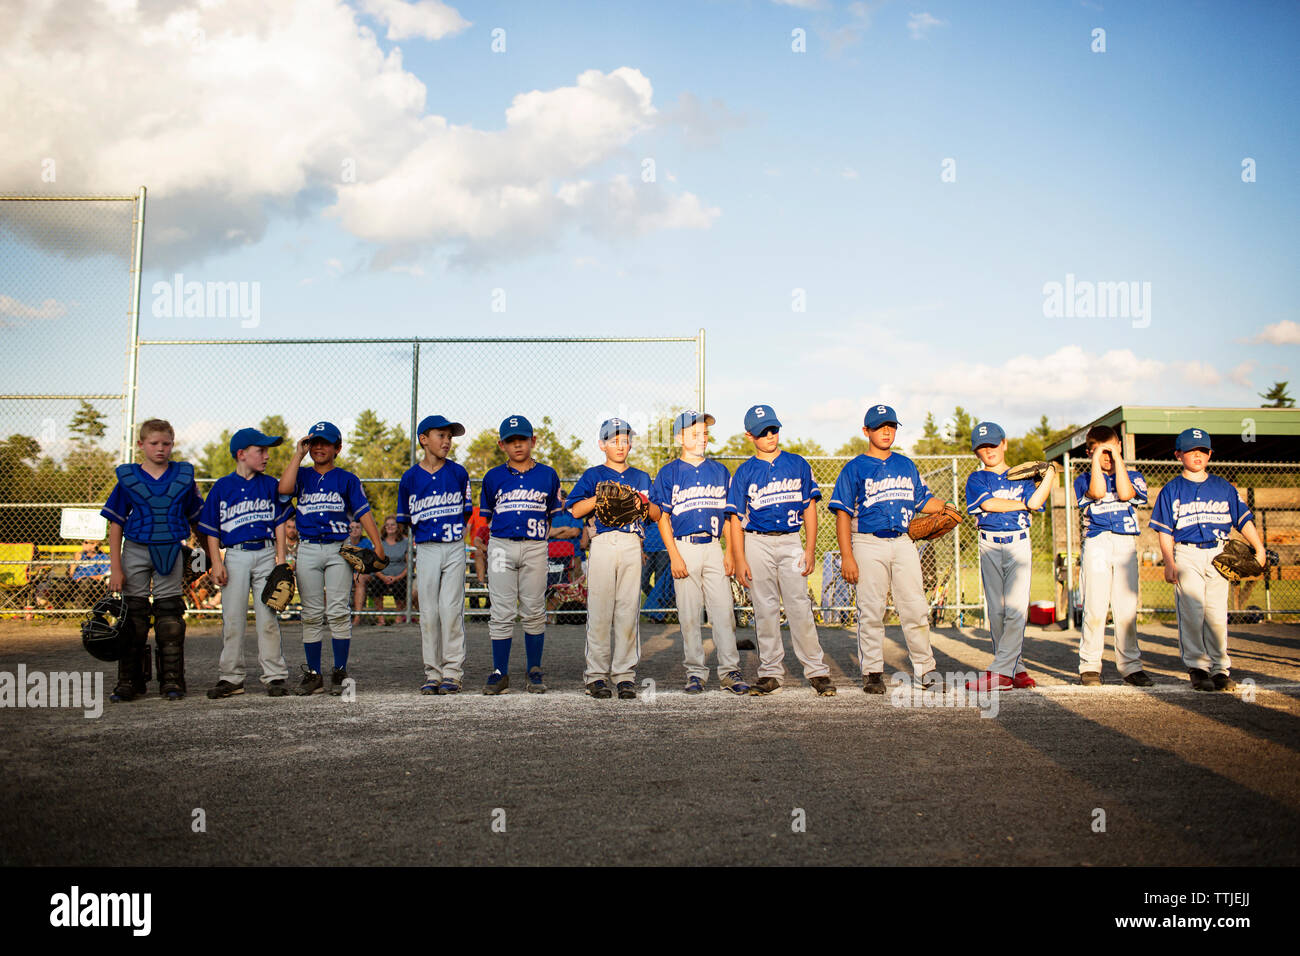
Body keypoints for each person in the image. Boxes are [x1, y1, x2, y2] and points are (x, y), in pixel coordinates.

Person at [829, 404, 953, 694]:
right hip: (867, 542)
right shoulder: (855, 468)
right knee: (871, 610)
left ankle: (926, 669)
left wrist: (947, 507)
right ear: (866, 431)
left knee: (915, 607)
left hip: (903, 541)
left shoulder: (905, 465)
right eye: (879, 426)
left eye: (891, 426)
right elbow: (843, 514)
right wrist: (847, 556)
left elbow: (923, 501)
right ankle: (872, 671)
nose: (886, 431)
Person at [725, 405, 836, 697]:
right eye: (763, 432)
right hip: (756, 542)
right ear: (750, 436)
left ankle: (816, 670)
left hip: (790, 540)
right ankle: (771, 672)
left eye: (773, 429)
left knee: (799, 606)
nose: (770, 436)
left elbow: (809, 507)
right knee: (765, 609)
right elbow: (736, 519)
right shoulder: (745, 472)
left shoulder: (798, 464)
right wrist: (738, 558)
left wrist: (810, 548)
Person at [1150, 428, 1266, 692]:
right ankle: (1197, 667)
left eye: (1202, 450)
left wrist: (1258, 547)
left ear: (1210, 454)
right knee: (1191, 612)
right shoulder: (1172, 490)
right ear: (1179, 455)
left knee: (1215, 612)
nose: (1197, 455)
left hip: (1219, 553)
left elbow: (1243, 519)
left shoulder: (1223, 487)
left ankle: (1220, 669)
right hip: (1186, 553)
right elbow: (1165, 531)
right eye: (1191, 450)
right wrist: (1169, 561)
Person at [278, 421, 386, 696]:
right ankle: (314, 674)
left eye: (325, 443)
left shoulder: (347, 479)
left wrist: (377, 544)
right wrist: (297, 454)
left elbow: (363, 513)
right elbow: (284, 488)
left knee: (338, 611)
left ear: (337, 448)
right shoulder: (301, 475)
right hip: (309, 548)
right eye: (314, 443)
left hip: (339, 548)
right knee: (312, 613)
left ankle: (339, 671)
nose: (319, 448)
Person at [100, 419, 205, 701]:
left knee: (170, 617)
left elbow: (198, 520)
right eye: (154, 443)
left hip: (170, 547)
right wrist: (115, 568)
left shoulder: (183, 477)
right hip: (135, 548)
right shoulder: (128, 478)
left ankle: (172, 680)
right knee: (132, 618)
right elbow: (115, 525)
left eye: (166, 443)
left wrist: (208, 557)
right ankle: (129, 681)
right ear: (141, 445)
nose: (161, 449)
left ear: (172, 444)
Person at [649, 410, 751, 695]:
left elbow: (731, 518)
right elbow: (663, 518)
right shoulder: (669, 472)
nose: (702, 438)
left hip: (713, 547)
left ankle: (730, 671)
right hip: (683, 546)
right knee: (689, 613)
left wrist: (730, 552)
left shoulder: (719, 471)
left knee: (723, 611)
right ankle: (695, 672)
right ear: (680, 437)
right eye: (695, 433)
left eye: (705, 433)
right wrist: (674, 555)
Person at [566, 418, 660, 700]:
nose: (620, 445)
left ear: (631, 443)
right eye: (613, 440)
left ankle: (624, 675)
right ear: (601, 444)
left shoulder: (641, 477)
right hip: (603, 543)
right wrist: (599, 497)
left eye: (625, 439)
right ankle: (596, 676)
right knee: (600, 611)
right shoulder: (593, 475)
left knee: (628, 611)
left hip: (632, 543)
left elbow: (655, 514)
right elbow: (575, 510)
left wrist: (639, 501)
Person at [197, 427, 292, 699]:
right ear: (241, 454)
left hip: (266, 553)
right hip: (235, 555)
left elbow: (280, 523)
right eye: (260, 451)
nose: (266, 456)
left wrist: (281, 560)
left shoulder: (270, 484)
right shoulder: (222, 487)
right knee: (233, 618)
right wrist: (216, 563)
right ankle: (231, 677)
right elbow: (211, 529)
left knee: (268, 617)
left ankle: (274, 675)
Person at [963, 422, 1054, 692]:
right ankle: (1018, 668)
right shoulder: (976, 479)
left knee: (1015, 610)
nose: (988, 450)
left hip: (1018, 543)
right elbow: (988, 504)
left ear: (1004, 444)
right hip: (989, 544)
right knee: (997, 612)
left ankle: (1002, 672)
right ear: (976, 452)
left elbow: (1039, 502)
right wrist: (1024, 503)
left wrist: (1050, 475)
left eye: (992, 444)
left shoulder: (1024, 478)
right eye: (981, 447)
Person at [479, 416, 562, 694]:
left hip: (536, 546)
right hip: (501, 544)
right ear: (502, 444)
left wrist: (542, 537)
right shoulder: (493, 477)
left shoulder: (548, 475)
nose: (518, 445)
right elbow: (485, 517)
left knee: (534, 609)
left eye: (522, 439)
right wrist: (482, 543)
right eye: (511, 441)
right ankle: (500, 672)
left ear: (533, 441)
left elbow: (554, 514)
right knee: (501, 611)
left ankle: (534, 670)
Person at [396, 414, 472, 695]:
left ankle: (452, 671)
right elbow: (405, 521)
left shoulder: (458, 472)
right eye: (441, 435)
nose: (447, 441)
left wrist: (455, 537)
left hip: (453, 547)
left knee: (450, 610)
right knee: (428, 613)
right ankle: (433, 672)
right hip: (425, 547)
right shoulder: (410, 478)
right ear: (423, 439)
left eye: (450, 437)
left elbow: (466, 512)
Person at [1073, 425, 1153, 687]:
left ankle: (1130, 666)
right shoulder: (1084, 478)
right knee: (1095, 607)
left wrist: (1116, 457)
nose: (1107, 457)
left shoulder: (1133, 476)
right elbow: (1096, 493)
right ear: (1089, 452)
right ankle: (1090, 666)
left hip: (1125, 542)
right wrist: (1097, 458)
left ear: (1119, 447)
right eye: (1100, 452)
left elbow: (1127, 494)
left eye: (1111, 450)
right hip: (1097, 543)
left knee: (1126, 608)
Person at [366, 516, 409, 625]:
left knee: (401, 585)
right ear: (384, 527)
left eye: (393, 524)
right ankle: (381, 618)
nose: (390, 527)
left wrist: (397, 577)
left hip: (399, 576)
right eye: (387, 525)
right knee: (375, 584)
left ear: (397, 527)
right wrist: (383, 577)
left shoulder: (405, 542)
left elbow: (409, 565)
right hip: (381, 575)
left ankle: (398, 618)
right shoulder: (379, 542)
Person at [70, 539, 112, 609]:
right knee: (60, 584)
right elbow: (70, 575)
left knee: (85, 582)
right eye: (83, 542)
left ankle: (76, 609)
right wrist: (76, 561)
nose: (83, 544)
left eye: (86, 542)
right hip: (75, 581)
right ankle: (57, 610)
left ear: (95, 545)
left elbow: (104, 575)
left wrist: (86, 577)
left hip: (93, 584)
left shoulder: (102, 557)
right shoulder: (80, 556)